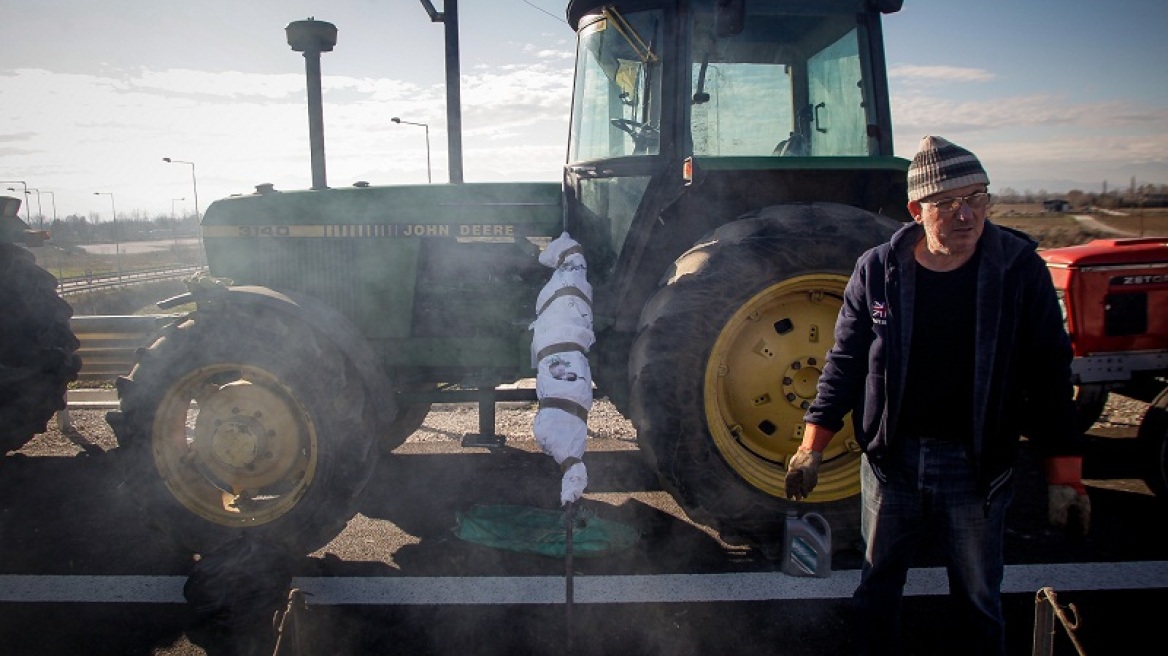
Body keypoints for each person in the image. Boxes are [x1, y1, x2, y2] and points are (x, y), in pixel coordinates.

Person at [784, 136, 1092, 655]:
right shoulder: (878, 270)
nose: (966, 215)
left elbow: (1050, 378)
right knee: (877, 588)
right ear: (916, 210)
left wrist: (1066, 480)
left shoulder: (1018, 271)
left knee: (976, 597)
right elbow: (845, 362)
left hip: (975, 466)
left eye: (977, 198)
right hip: (892, 462)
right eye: (947, 204)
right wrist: (811, 445)